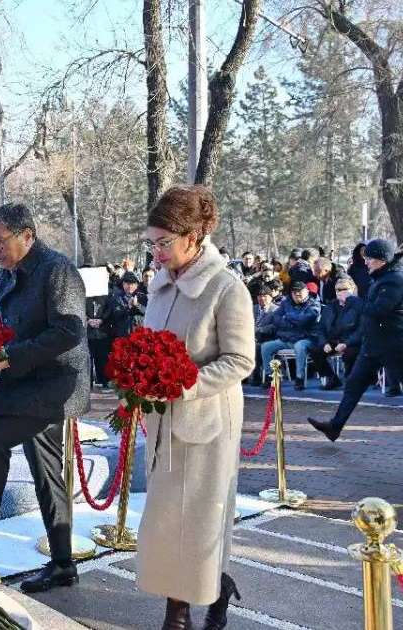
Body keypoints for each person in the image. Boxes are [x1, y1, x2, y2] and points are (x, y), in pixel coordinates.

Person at [135, 186, 253, 630]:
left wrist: (182, 385)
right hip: (162, 423)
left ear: (193, 237)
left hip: (205, 423)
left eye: (164, 242)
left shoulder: (226, 288)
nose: (157, 251)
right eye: (152, 242)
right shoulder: (160, 286)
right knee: (167, 522)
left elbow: (240, 360)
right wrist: (139, 381)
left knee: (198, 522)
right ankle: (192, 596)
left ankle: (184, 609)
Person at [0, 202, 88, 595]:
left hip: (55, 381)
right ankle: (63, 563)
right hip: (26, 379)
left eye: (1, 241)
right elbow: (6, 327)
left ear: (27, 235)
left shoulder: (57, 269)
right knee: (46, 469)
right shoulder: (5, 276)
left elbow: (70, 331)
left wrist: (11, 356)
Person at [308, 239, 403, 442]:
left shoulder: (395, 280)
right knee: (353, 385)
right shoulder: (382, 277)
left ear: (382, 260)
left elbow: (378, 311)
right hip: (373, 345)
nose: (366, 262)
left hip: (393, 344)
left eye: (370, 258)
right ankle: (334, 427)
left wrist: (353, 300)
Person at [259, 281, 321, 390]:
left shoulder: (313, 304)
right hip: (287, 338)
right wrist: (293, 319)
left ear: (306, 291)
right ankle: (270, 377)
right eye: (294, 292)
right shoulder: (286, 303)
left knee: (299, 347)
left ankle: (299, 378)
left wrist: (287, 317)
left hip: (305, 338)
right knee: (266, 347)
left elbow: (305, 320)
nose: (297, 294)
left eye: (300, 291)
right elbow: (275, 317)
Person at [310, 277, 362, 391]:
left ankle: (351, 381)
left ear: (353, 289)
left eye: (344, 289)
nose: (340, 292)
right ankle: (332, 378)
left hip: (352, 342)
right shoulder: (330, 306)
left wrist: (346, 343)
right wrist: (324, 343)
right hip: (333, 341)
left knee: (350, 353)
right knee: (315, 351)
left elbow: (361, 330)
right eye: (337, 290)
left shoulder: (360, 305)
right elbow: (321, 328)